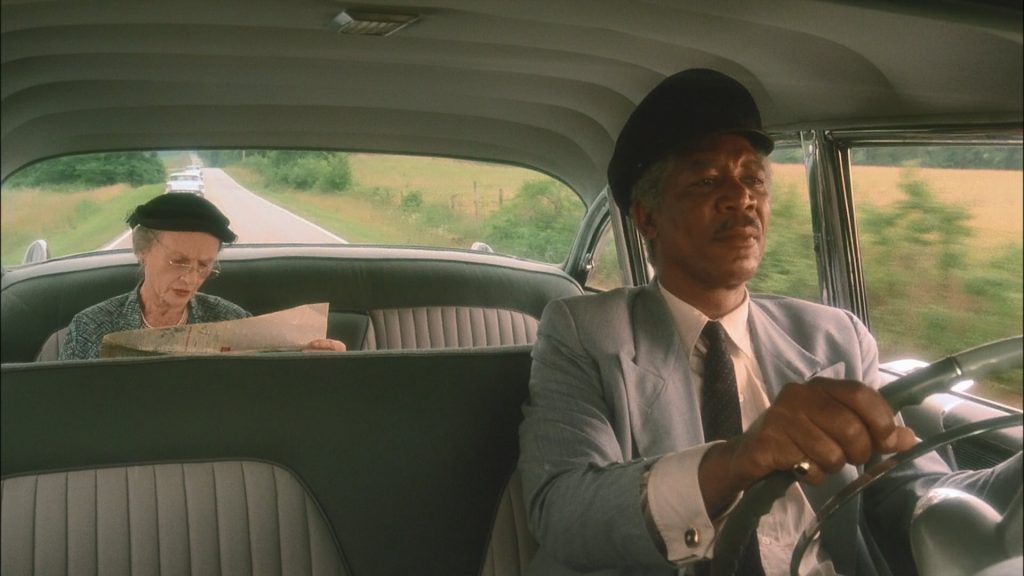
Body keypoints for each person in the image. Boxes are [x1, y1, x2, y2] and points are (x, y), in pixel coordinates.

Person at [517, 68, 1020, 576]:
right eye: (708, 180)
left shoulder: (834, 336)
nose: (743, 197)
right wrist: (734, 461)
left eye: (753, 178)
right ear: (647, 217)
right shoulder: (585, 330)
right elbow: (561, 510)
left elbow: (905, 492)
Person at [59, 193, 346, 360]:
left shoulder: (232, 321)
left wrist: (315, 360)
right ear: (141, 251)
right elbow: (67, 406)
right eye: (178, 261)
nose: (191, 278)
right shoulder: (90, 327)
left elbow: (269, 387)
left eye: (204, 265)